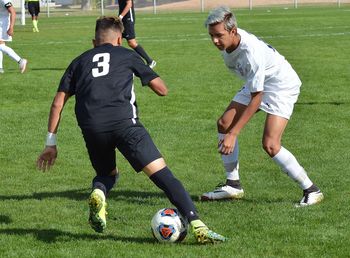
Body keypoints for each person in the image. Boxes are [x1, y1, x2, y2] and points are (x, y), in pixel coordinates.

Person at [36, 16, 226, 244]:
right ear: (119, 39)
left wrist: (51, 143)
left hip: (91, 127)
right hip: (125, 124)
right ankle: (198, 224)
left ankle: (99, 192)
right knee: (163, 175)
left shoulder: (78, 61)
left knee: (107, 175)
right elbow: (162, 90)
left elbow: (58, 103)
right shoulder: (127, 54)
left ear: (94, 41)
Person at [200, 6, 324, 207]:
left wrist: (234, 134)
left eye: (219, 35)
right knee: (224, 123)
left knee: (270, 144)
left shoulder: (251, 52)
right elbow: (254, 89)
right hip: (258, 83)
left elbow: (257, 97)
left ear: (233, 31)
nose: (214, 40)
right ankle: (233, 185)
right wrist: (230, 130)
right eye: (211, 35)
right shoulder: (227, 46)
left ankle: (312, 190)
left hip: (281, 85)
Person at [117, 0, 156, 68]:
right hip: (122, 18)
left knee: (132, 42)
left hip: (128, 19)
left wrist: (120, 16)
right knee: (117, 41)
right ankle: (117, 64)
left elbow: (129, 4)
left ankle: (150, 61)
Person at [0, 0, 27, 73]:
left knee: (0, 45)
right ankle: (0, 68)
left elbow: (13, 12)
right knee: (1, 45)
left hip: (3, 24)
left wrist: (11, 27)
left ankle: (20, 60)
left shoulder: (4, 0)